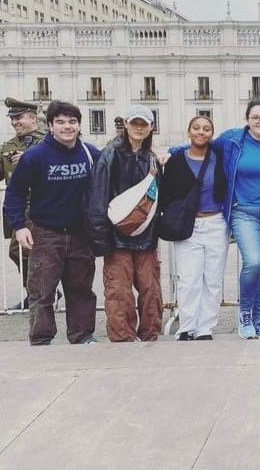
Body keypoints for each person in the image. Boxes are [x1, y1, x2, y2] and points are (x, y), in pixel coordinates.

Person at [170, 100, 260, 340]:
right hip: (244, 211)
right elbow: (202, 144)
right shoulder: (233, 139)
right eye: (256, 117)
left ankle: (259, 319)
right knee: (254, 262)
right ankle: (245, 315)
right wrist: (172, 153)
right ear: (247, 119)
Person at [3, 100, 100, 345]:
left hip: (80, 234)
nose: (67, 127)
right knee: (42, 291)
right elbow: (15, 193)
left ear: (79, 126)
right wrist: (19, 225)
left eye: (72, 122)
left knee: (81, 290)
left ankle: (82, 335)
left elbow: (119, 168)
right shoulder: (35, 156)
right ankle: (41, 339)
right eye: (60, 122)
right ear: (50, 126)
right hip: (46, 233)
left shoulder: (90, 153)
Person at [85, 105, 163, 342]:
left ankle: (150, 336)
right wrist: (100, 239)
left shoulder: (152, 159)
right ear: (126, 125)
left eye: (144, 124)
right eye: (135, 123)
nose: (139, 128)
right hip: (116, 237)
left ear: (151, 128)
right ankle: (122, 339)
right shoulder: (110, 155)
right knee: (119, 292)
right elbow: (98, 196)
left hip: (146, 236)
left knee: (151, 291)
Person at [159, 116, 228, 341]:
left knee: (213, 279)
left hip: (216, 223)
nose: (201, 132)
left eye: (206, 129)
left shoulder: (219, 159)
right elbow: (166, 193)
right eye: (196, 128)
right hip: (188, 226)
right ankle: (187, 326)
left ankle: (205, 328)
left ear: (212, 133)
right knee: (189, 279)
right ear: (188, 132)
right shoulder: (176, 160)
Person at [1, 98, 45, 310]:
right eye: (12, 118)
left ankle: (40, 294)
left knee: (31, 251)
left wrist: (30, 158)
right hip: (18, 210)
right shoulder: (9, 146)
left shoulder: (48, 141)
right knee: (18, 252)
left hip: (42, 207)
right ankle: (38, 292)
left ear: (33, 118)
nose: (15, 122)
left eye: (18, 117)